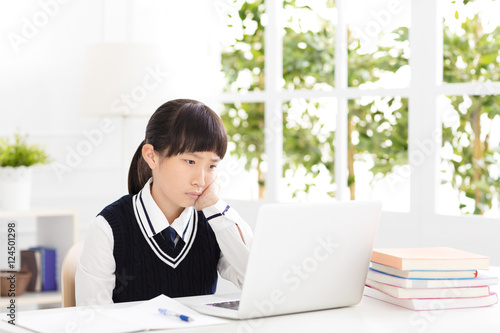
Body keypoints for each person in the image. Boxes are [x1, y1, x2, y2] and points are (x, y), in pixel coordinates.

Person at [75, 99, 253, 305]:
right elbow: (92, 320)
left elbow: (257, 281)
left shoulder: (214, 223)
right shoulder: (109, 227)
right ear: (152, 157)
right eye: (190, 161)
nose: (201, 180)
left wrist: (215, 205)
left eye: (212, 166)